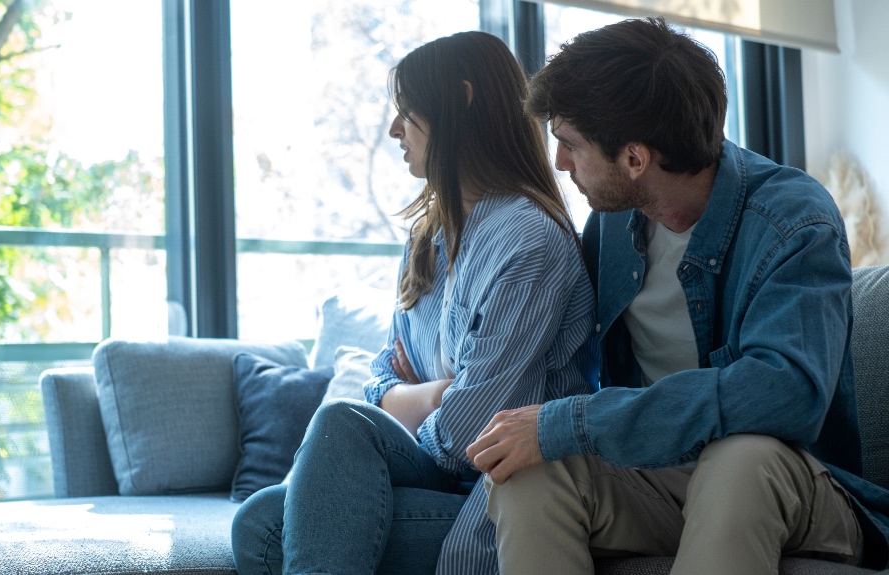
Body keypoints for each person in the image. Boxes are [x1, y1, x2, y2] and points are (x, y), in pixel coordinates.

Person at [465, 17, 889, 574]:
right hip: (662, 479)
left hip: (789, 484)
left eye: (569, 144)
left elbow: (787, 392)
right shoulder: (613, 227)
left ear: (636, 159)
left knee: (739, 458)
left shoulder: (793, 219)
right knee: (530, 470)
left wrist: (580, 421)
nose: (560, 163)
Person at [231, 30, 597, 574]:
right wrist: (429, 395)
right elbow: (381, 372)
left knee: (301, 481)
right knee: (263, 516)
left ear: (462, 102)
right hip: (434, 472)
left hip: (493, 498)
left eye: (408, 112)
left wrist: (421, 401)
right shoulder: (430, 235)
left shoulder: (527, 241)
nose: (393, 129)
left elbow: (470, 437)